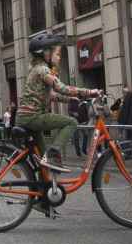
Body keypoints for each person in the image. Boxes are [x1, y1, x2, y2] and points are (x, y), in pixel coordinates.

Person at [15, 32, 101, 173]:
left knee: (44, 162)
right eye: (58, 54)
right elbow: (62, 88)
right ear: (46, 53)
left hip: (25, 117)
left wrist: (70, 99)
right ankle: (54, 152)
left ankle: (44, 190)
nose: (59, 58)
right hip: (33, 117)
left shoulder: (35, 69)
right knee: (71, 122)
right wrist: (90, 92)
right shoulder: (43, 70)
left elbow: (51, 95)